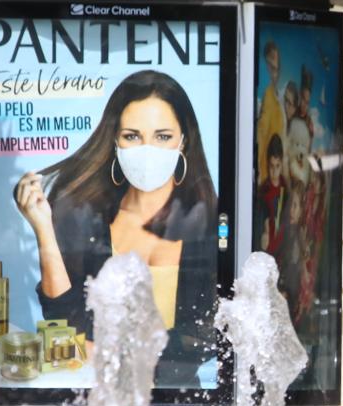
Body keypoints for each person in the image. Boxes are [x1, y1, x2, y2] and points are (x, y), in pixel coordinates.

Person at [13, 69, 218, 387]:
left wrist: (114, 354)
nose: (146, 149)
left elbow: (204, 336)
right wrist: (43, 228)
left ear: (183, 140)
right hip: (97, 396)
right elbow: (64, 323)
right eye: (132, 136)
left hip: (179, 401)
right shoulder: (87, 214)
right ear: (115, 140)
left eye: (162, 136)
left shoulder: (207, 220)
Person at [255, 41, 285, 185]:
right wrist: (260, 174)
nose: (275, 71)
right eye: (271, 66)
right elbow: (261, 134)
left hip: (274, 177)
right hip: (267, 177)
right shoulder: (267, 96)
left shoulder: (275, 97)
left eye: (276, 68)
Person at [257, 134, 287, 254]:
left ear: (282, 164)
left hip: (282, 249)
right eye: (271, 166)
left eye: (277, 166)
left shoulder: (286, 190)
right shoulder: (262, 191)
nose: (274, 171)